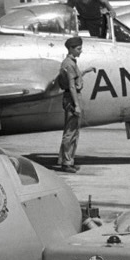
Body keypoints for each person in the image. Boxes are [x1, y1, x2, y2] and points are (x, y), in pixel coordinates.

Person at [56, 35, 85, 172]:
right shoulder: (69, 64)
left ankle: (68, 160)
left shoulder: (70, 63)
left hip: (71, 97)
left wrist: (85, 71)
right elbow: (72, 86)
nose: (81, 51)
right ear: (71, 49)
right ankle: (66, 163)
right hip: (72, 99)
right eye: (78, 49)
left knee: (73, 132)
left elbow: (74, 79)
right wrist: (77, 105)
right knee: (70, 132)